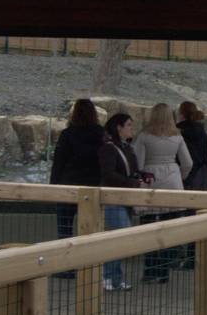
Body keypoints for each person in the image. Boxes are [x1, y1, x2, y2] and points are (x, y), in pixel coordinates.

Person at [134, 103, 193, 283]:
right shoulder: (177, 137)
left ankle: (151, 270)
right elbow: (188, 163)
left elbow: (138, 163)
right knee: (170, 229)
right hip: (173, 181)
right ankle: (164, 272)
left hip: (151, 181)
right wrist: (179, 176)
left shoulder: (144, 136)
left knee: (148, 228)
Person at [49, 99, 106, 277]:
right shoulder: (100, 134)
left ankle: (67, 267)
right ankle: (89, 266)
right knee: (90, 230)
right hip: (92, 188)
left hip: (68, 187)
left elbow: (59, 162)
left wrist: (53, 186)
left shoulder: (68, 134)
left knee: (64, 229)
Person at [97, 112, 150, 290]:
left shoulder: (127, 148)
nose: (131, 129)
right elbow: (109, 173)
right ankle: (106, 275)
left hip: (125, 198)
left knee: (121, 237)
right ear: (118, 127)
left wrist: (142, 175)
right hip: (113, 199)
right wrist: (131, 182)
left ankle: (116, 277)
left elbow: (132, 169)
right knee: (119, 236)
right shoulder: (108, 149)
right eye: (128, 125)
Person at [177, 101, 207, 179]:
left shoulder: (178, 131)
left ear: (181, 113)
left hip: (182, 171)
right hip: (200, 172)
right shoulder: (202, 131)